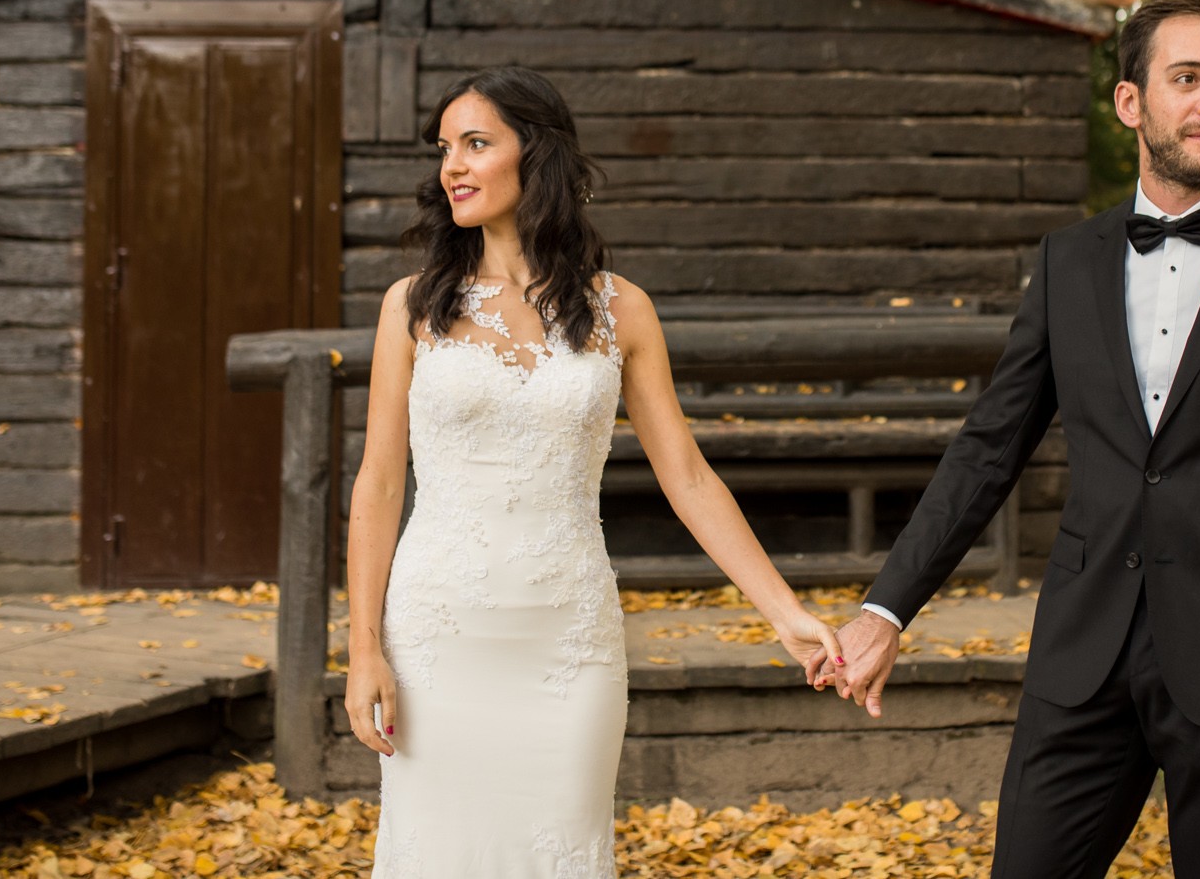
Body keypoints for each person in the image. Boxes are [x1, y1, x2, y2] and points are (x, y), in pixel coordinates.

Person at [812, 0, 1200, 879]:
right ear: (1131, 102)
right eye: (1187, 78)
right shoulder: (1068, 260)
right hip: (1082, 656)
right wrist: (888, 608)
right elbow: (990, 445)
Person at [343, 66, 844, 877]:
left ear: (534, 155)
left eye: (476, 143)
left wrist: (784, 612)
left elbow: (686, 475)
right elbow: (378, 483)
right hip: (437, 635)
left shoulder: (622, 309)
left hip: (567, 638)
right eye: (445, 148)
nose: (453, 167)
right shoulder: (411, 306)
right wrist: (363, 647)